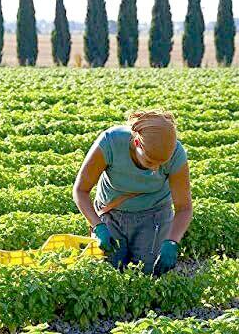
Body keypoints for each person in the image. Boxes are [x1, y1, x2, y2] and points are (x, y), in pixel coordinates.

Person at [73, 110, 193, 276]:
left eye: (162, 163)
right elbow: (80, 190)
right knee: (109, 271)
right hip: (112, 214)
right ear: (137, 143)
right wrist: (98, 226)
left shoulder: (176, 154)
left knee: (149, 273)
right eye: (150, 161)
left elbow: (184, 208)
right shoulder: (111, 142)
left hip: (154, 216)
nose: (156, 169)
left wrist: (172, 241)